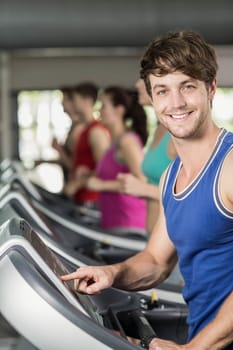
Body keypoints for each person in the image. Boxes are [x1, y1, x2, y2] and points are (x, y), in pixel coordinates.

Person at [61, 31, 233, 349]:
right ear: (152, 99)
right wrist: (112, 273)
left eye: (188, 86)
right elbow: (155, 261)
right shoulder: (171, 177)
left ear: (210, 89)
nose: (176, 102)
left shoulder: (230, 166)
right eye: (163, 91)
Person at [87, 86, 148, 234]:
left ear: (119, 110)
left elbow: (142, 181)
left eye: (104, 105)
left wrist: (102, 185)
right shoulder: (113, 143)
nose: (99, 110)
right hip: (114, 223)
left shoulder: (127, 142)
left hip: (129, 223)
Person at [118, 79, 176, 233]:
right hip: (154, 237)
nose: (137, 84)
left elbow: (197, 197)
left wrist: (145, 189)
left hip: (175, 242)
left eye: (144, 79)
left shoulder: (178, 133)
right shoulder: (160, 129)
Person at [63, 82, 110, 206]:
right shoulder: (84, 130)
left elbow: (105, 168)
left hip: (92, 199)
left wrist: (78, 183)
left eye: (75, 99)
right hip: (81, 198)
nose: (72, 104)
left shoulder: (96, 131)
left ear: (87, 101)